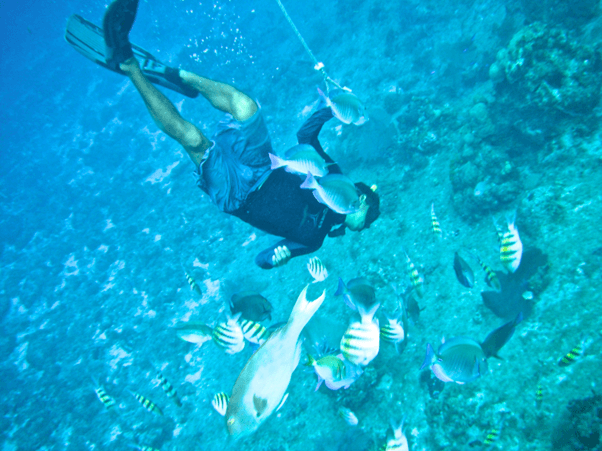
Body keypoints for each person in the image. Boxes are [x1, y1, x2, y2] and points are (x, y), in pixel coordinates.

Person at [79, 0, 380, 269]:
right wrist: (331, 107)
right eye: (365, 221)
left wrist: (276, 259)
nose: (362, 226)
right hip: (265, 164)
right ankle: (178, 76)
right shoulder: (335, 176)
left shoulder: (313, 240)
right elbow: (306, 136)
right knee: (246, 106)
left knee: (194, 140)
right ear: (361, 201)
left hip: (237, 197)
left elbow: (260, 259)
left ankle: (129, 65)